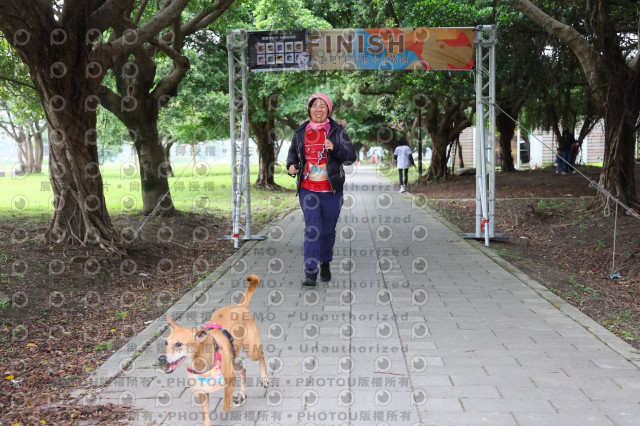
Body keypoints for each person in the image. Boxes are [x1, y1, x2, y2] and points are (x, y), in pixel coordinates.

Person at [286, 93, 357, 286]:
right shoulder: (300, 132)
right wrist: (291, 166)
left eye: (322, 106)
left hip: (331, 191)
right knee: (312, 229)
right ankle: (310, 271)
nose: (318, 109)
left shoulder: (338, 132)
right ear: (309, 110)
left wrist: (335, 148)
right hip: (308, 189)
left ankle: (325, 261)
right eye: (314, 106)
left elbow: (350, 158)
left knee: (327, 231)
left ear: (329, 110)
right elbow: (292, 155)